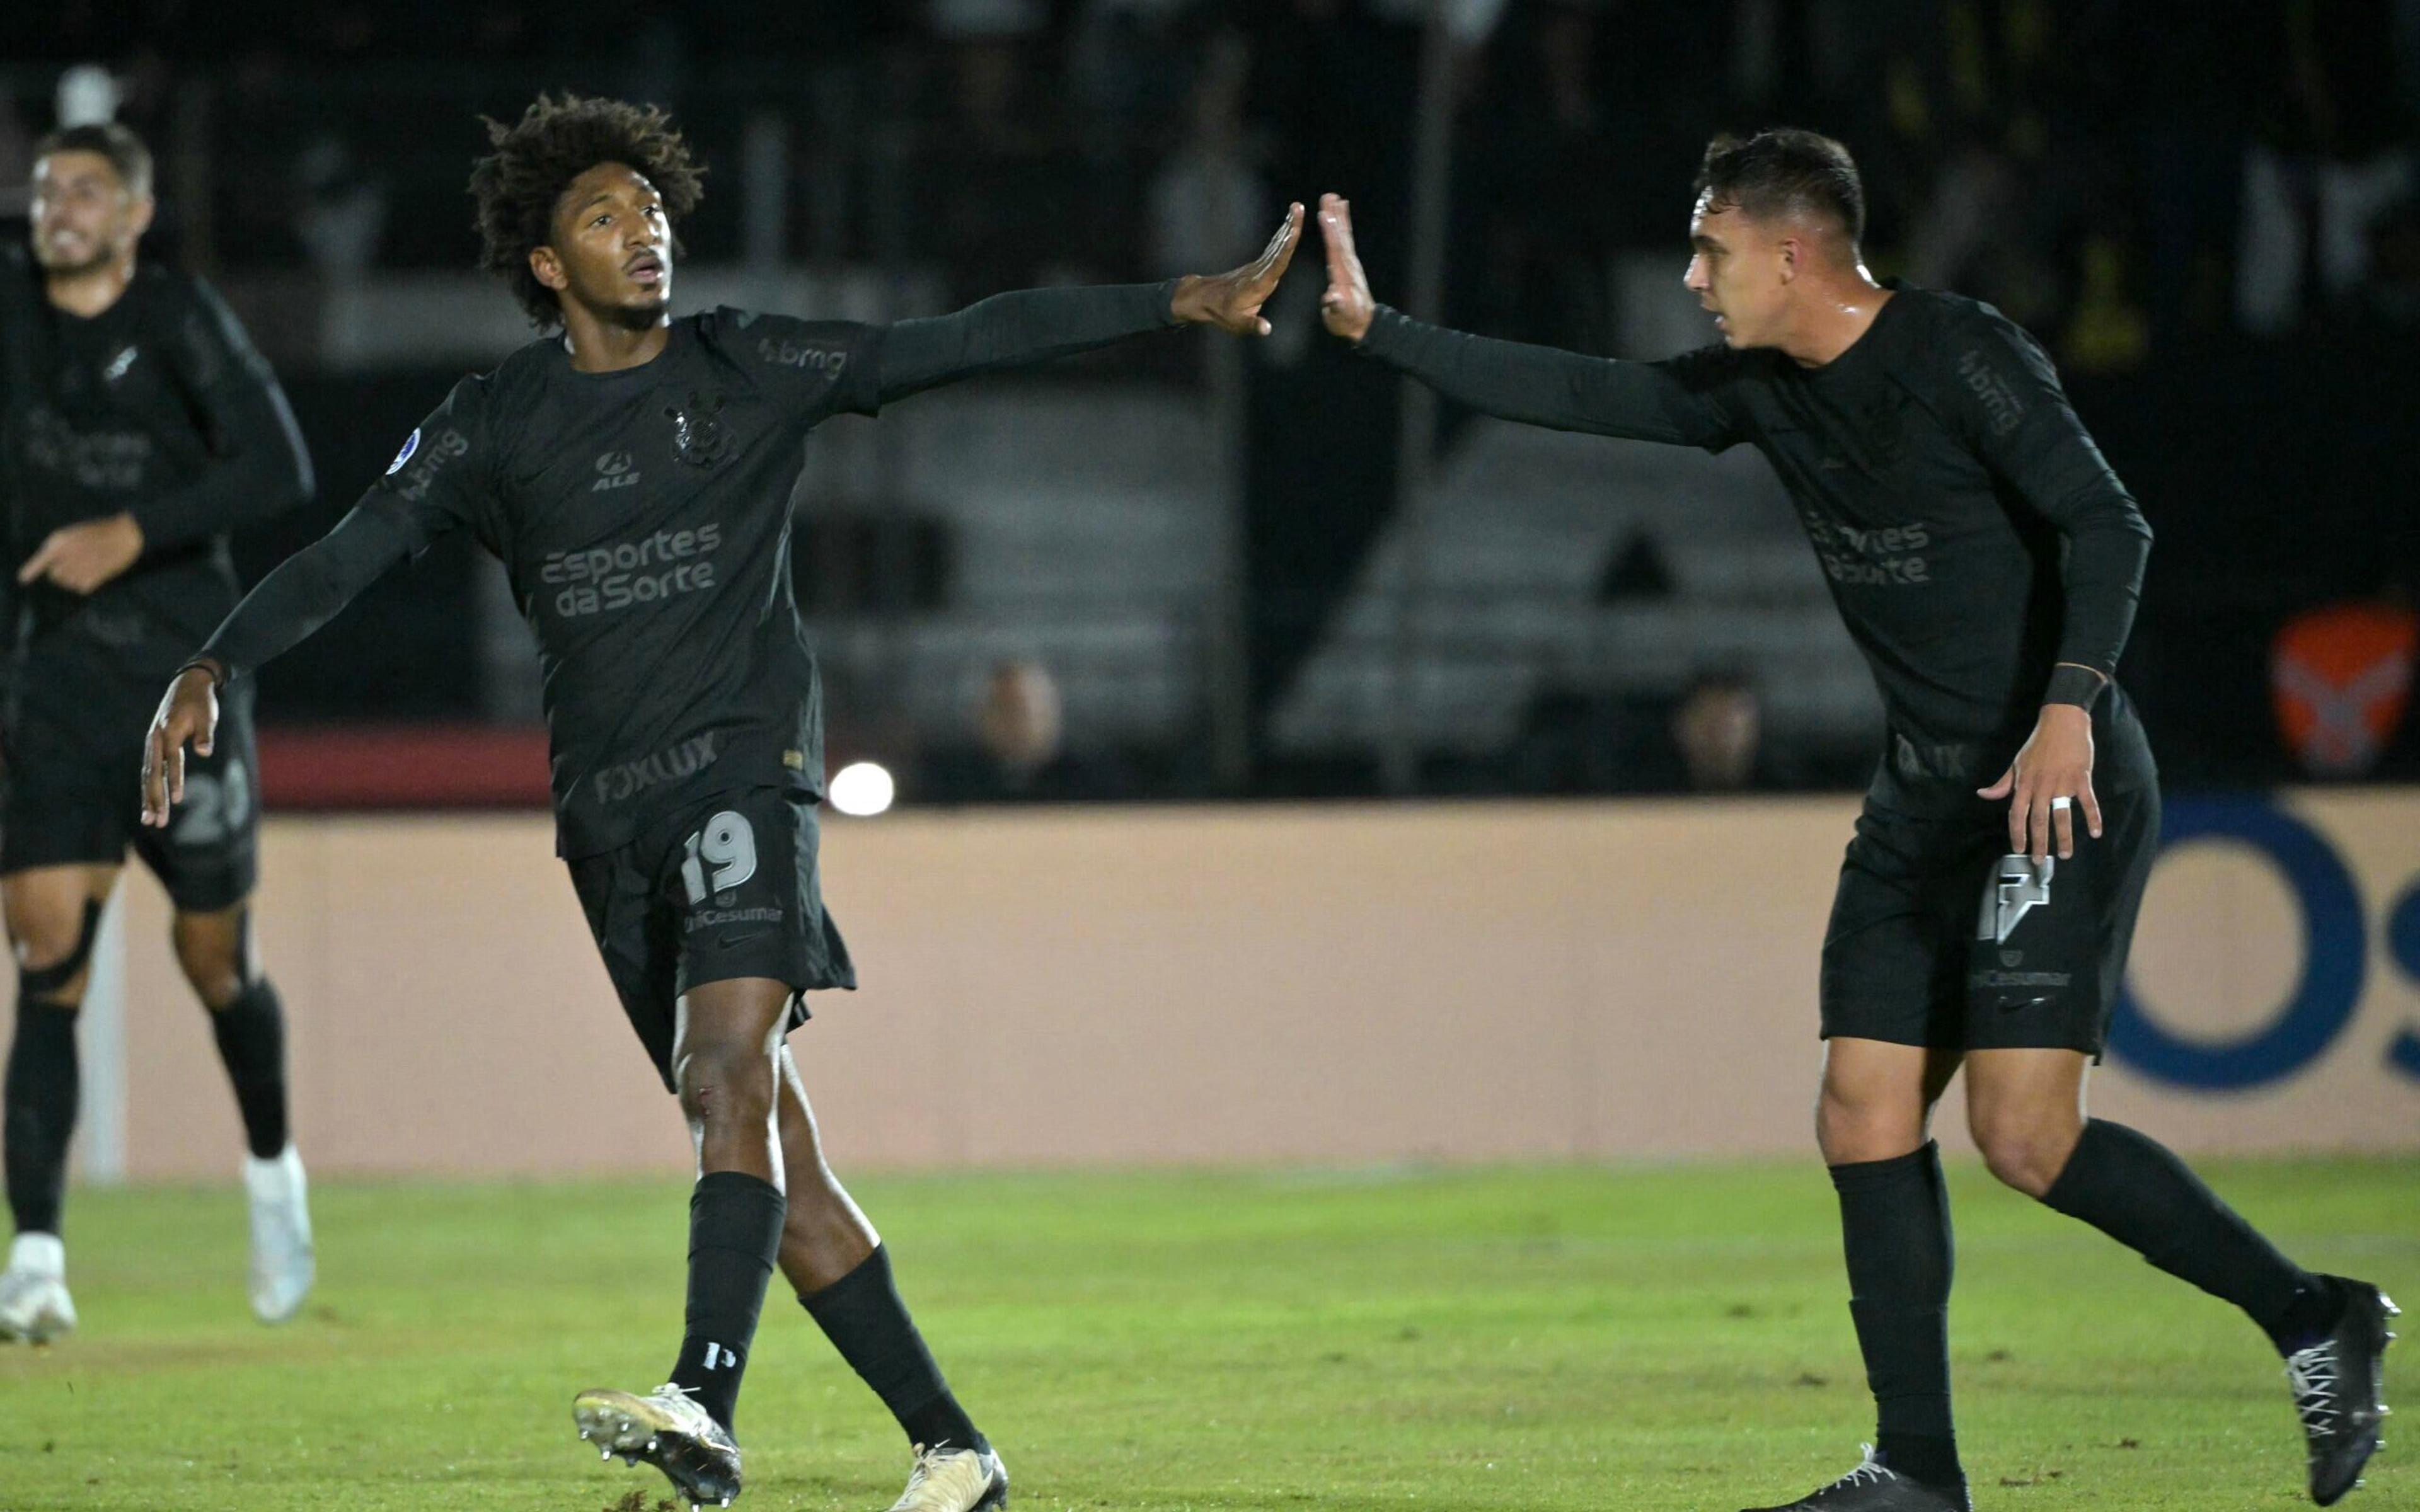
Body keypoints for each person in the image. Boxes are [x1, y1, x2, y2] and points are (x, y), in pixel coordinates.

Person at [141, 94, 1299, 1512]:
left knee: (729, 1070)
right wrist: (214, 659)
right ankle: (957, 1452)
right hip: (609, 826)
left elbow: (959, 340)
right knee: (771, 1163)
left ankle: (703, 1395)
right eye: (605, 218)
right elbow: (349, 553)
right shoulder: (492, 422)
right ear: (548, 266)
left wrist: (1175, 299)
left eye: (655, 213)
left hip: (746, 771)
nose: (646, 236)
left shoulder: (747, 364)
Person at [1315, 129, 2394, 1511]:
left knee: (2024, 1138)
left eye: (1708, 251)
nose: (1694, 279)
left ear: (1788, 252)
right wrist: (1379, 331)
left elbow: (2109, 526)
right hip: (1926, 793)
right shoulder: (1768, 391)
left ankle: (2314, 1317)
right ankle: (1919, 1473)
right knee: (1862, 1113)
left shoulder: (1957, 353)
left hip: (2050, 782)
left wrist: (2070, 708)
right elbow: (1597, 391)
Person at [0, 121, 316, 1342]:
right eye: (45, 190)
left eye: (85, 190)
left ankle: (273, 1174)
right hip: (56, 681)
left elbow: (280, 467)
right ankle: (35, 1259)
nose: (58, 208)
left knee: (212, 961)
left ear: (133, 215)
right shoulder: (15, 318)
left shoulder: (178, 318)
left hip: (183, 678)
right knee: (46, 957)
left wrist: (131, 533)